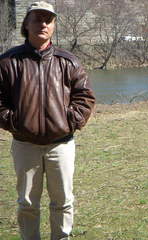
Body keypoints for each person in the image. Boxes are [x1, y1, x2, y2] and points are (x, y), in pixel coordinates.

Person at [0, 1, 95, 239]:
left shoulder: (68, 61)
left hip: (61, 144)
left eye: (48, 20)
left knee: (63, 201)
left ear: (53, 25)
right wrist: (16, 122)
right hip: (24, 145)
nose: (43, 24)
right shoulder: (8, 62)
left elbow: (84, 97)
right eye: (37, 19)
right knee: (27, 204)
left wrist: (68, 121)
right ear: (26, 23)